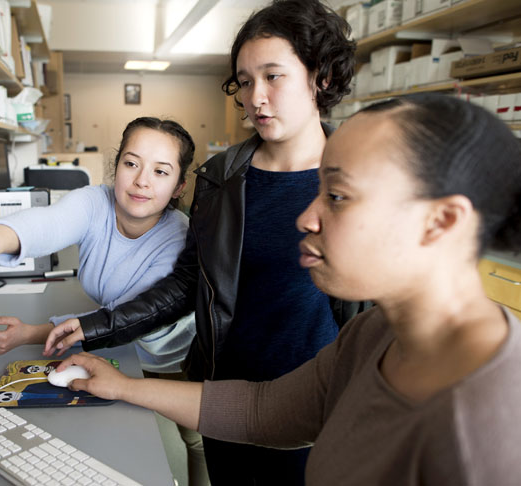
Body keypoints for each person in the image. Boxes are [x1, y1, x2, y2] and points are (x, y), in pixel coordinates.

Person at [55, 93, 521, 485]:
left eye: (337, 196)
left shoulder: (491, 437)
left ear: (441, 221)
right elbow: (264, 410)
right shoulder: (374, 334)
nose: (305, 218)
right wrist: (122, 387)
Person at [43, 1, 357, 483]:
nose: (257, 97)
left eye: (273, 76)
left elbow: (379, 311)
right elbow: (190, 282)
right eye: (246, 80)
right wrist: (98, 327)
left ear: (322, 77)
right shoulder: (221, 179)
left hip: (320, 406)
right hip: (223, 398)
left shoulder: (361, 181)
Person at [0, 117, 211, 486]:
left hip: (170, 356)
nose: (142, 180)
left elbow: (123, 316)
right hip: (118, 348)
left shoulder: (178, 239)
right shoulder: (94, 202)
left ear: (179, 186)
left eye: (161, 172)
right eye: (131, 163)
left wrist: (33, 332)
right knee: (124, 441)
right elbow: (48, 222)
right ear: (115, 167)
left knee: (194, 440)